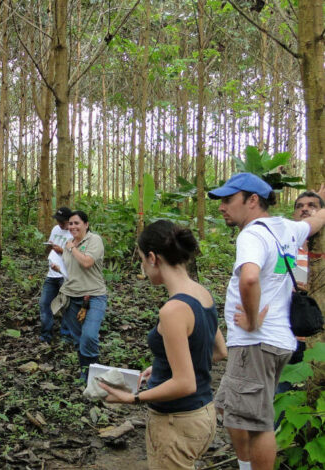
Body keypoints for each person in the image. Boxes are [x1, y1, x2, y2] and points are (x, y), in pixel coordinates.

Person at [207, 173, 325, 470]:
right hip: (274, 342)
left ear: (253, 200)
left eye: (228, 200)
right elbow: (315, 222)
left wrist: (250, 317)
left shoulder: (252, 235)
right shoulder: (287, 228)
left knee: (259, 424)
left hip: (256, 342)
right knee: (227, 405)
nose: (222, 207)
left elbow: (248, 278)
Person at [100, 220, 227, 470]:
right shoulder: (202, 293)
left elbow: (185, 382)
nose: (142, 267)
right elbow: (219, 351)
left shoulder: (173, 310)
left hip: (176, 421)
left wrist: (133, 398)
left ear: (152, 257)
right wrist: (163, 368)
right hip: (204, 414)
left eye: (141, 259)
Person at [275, 189, 325, 395]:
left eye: (312, 205)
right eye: (300, 206)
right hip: (291, 334)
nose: (305, 209)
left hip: (318, 338)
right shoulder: (286, 250)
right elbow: (282, 280)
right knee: (283, 391)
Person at [59, 210, 108, 381]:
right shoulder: (68, 243)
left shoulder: (94, 240)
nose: (72, 227)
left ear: (86, 224)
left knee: (89, 336)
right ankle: (85, 372)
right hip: (71, 297)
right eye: (70, 224)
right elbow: (71, 269)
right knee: (79, 338)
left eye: (76, 223)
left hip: (94, 295)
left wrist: (72, 249)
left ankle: (94, 374)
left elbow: (87, 262)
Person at [39, 206, 73, 343]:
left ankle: (66, 335)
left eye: (62, 221)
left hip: (65, 274)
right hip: (52, 274)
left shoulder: (73, 233)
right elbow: (51, 245)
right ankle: (46, 334)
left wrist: (62, 251)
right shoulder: (55, 229)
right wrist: (50, 247)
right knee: (44, 304)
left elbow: (78, 257)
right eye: (58, 220)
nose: (59, 224)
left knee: (66, 305)